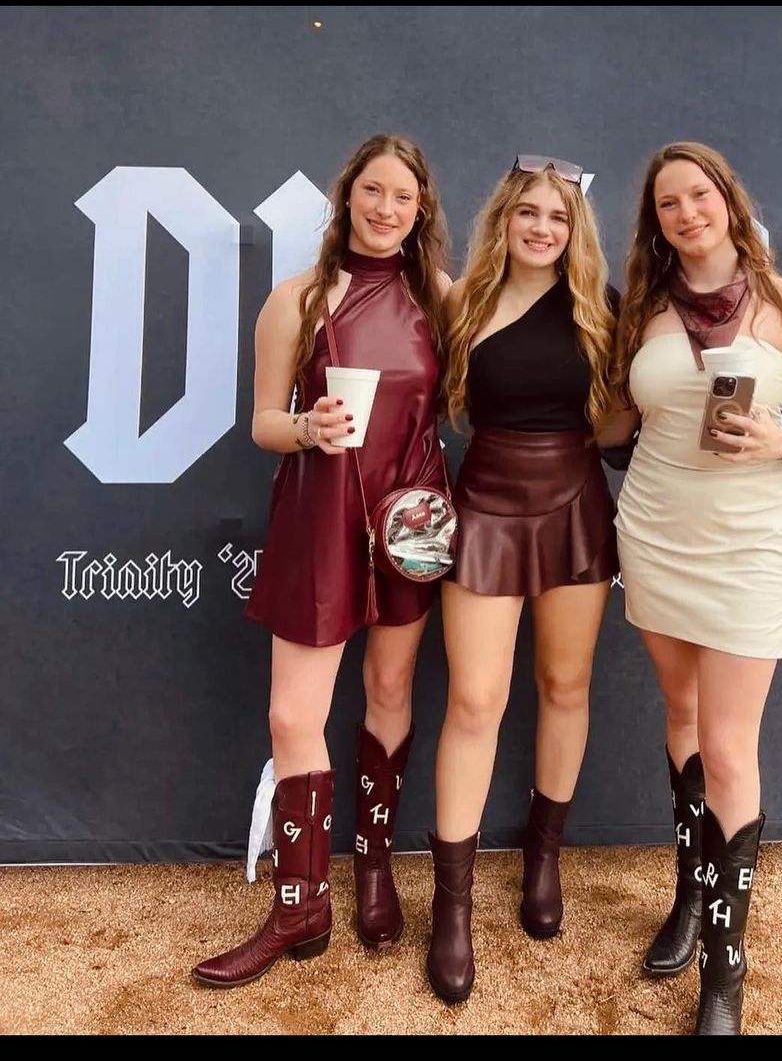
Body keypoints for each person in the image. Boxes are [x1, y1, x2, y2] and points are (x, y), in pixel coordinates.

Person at [192, 133, 452, 988]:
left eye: (403, 197)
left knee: (389, 688)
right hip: (319, 515)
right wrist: (306, 427)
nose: (386, 209)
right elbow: (264, 421)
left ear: (420, 211)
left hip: (408, 517)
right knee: (292, 714)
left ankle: (374, 867)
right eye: (373, 190)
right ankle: (301, 906)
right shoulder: (296, 298)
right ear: (348, 196)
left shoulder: (440, 298)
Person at [602, 142, 782, 1034]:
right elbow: (614, 424)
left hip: (748, 542)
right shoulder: (643, 313)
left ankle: (724, 972)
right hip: (655, 532)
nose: (686, 213)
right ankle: (691, 896)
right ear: (655, 223)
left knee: (729, 744)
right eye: (668, 203)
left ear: (728, 201)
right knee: (682, 714)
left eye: (698, 195)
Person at [425, 155, 619, 1004]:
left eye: (559, 216)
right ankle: (453, 908)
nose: (543, 227)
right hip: (485, 503)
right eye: (528, 212)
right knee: (474, 702)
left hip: (576, 497)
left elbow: (621, 425)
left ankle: (544, 862)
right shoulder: (461, 301)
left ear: (576, 231)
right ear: (502, 217)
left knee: (565, 686)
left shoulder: (602, 309)